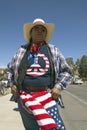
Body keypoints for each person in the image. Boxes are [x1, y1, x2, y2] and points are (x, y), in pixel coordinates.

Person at [7, 18, 72, 130]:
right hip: (25, 97)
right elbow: (10, 70)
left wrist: (58, 87)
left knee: (53, 127)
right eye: (36, 28)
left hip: (48, 96)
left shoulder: (53, 50)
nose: (40, 31)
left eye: (43, 29)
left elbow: (67, 71)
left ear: (45, 34)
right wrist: (12, 84)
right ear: (30, 32)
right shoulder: (22, 50)